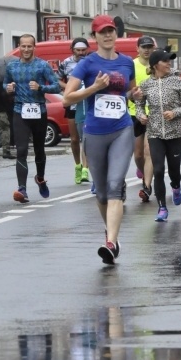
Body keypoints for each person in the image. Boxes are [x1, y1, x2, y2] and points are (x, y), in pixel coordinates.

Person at [63, 15, 137, 264]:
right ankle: (110, 231)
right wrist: (93, 88)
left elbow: (129, 92)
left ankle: (111, 242)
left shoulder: (127, 63)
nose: (108, 36)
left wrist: (134, 94)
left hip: (121, 129)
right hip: (94, 132)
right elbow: (67, 98)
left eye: (111, 31)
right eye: (102, 32)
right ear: (94, 37)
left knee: (116, 184)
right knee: (102, 192)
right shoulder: (86, 64)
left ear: (116, 34)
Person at [135, 49, 181, 221]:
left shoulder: (177, 81)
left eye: (170, 61)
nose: (169, 63)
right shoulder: (146, 84)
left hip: (175, 133)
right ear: (155, 65)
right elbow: (139, 105)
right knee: (158, 170)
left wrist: (175, 113)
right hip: (154, 133)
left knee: (174, 171)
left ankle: (176, 186)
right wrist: (141, 116)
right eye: (166, 61)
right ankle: (162, 207)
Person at [4, 34, 61, 202]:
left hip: (39, 112)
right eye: (23, 46)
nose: (26, 49)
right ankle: (22, 188)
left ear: (34, 47)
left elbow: (57, 86)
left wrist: (41, 87)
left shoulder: (42, 65)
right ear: (19, 47)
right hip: (19, 110)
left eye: (30, 46)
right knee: (21, 150)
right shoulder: (12, 66)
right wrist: (8, 87)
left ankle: (40, 178)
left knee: (39, 149)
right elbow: (5, 83)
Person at [58, 37, 91, 184]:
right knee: (74, 139)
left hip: (87, 102)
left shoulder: (91, 61)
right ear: (73, 50)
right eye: (78, 50)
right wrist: (69, 88)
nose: (81, 53)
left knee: (87, 138)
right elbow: (56, 79)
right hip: (72, 102)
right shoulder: (66, 62)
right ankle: (78, 165)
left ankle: (85, 168)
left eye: (83, 50)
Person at [131, 36, 156, 202]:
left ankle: (147, 186)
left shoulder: (157, 65)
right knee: (138, 155)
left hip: (153, 114)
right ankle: (143, 173)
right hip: (134, 113)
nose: (146, 50)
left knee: (149, 152)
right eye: (143, 47)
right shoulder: (132, 65)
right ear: (138, 49)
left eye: (149, 47)